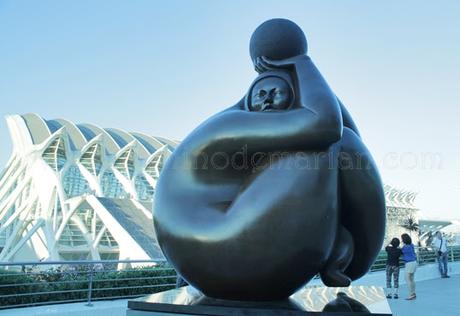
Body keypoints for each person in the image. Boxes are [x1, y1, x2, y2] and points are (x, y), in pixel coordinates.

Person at [401, 233, 417, 300]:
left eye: (402, 239)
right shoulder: (411, 245)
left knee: (407, 279)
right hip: (414, 262)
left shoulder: (405, 247)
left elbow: (401, 252)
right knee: (412, 279)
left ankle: (411, 295)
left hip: (409, 263)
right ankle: (413, 293)